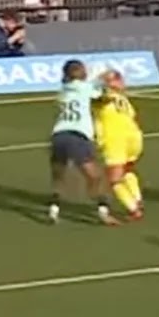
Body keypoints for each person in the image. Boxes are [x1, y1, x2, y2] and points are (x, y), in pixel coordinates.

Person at [46, 60, 116, 226]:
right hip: (77, 136)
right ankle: (103, 211)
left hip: (58, 135)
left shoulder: (62, 91)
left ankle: (54, 208)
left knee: (59, 175)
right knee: (95, 176)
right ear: (78, 72)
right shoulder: (85, 87)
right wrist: (105, 80)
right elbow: (101, 94)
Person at [94, 69, 146, 220]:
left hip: (114, 139)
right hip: (134, 136)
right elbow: (134, 117)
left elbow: (102, 99)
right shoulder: (123, 99)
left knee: (114, 179)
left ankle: (133, 208)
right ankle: (137, 199)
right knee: (128, 169)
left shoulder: (103, 97)